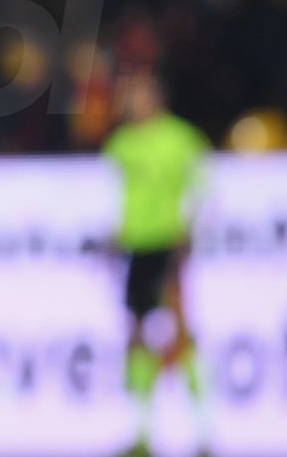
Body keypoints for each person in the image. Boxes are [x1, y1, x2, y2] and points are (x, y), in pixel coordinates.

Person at [103, 69, 210, 457]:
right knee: (136, 337)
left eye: (140, 93)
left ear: (157, 97)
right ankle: (143, 433)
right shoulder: (121, 144)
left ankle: (203, 434)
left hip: (167, 244)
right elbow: (116, 196)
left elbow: (204, 190)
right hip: (136, 247)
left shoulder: (181, 139)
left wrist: (189, 232)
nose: (133, 101)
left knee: (180, 336)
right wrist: (115, 236)